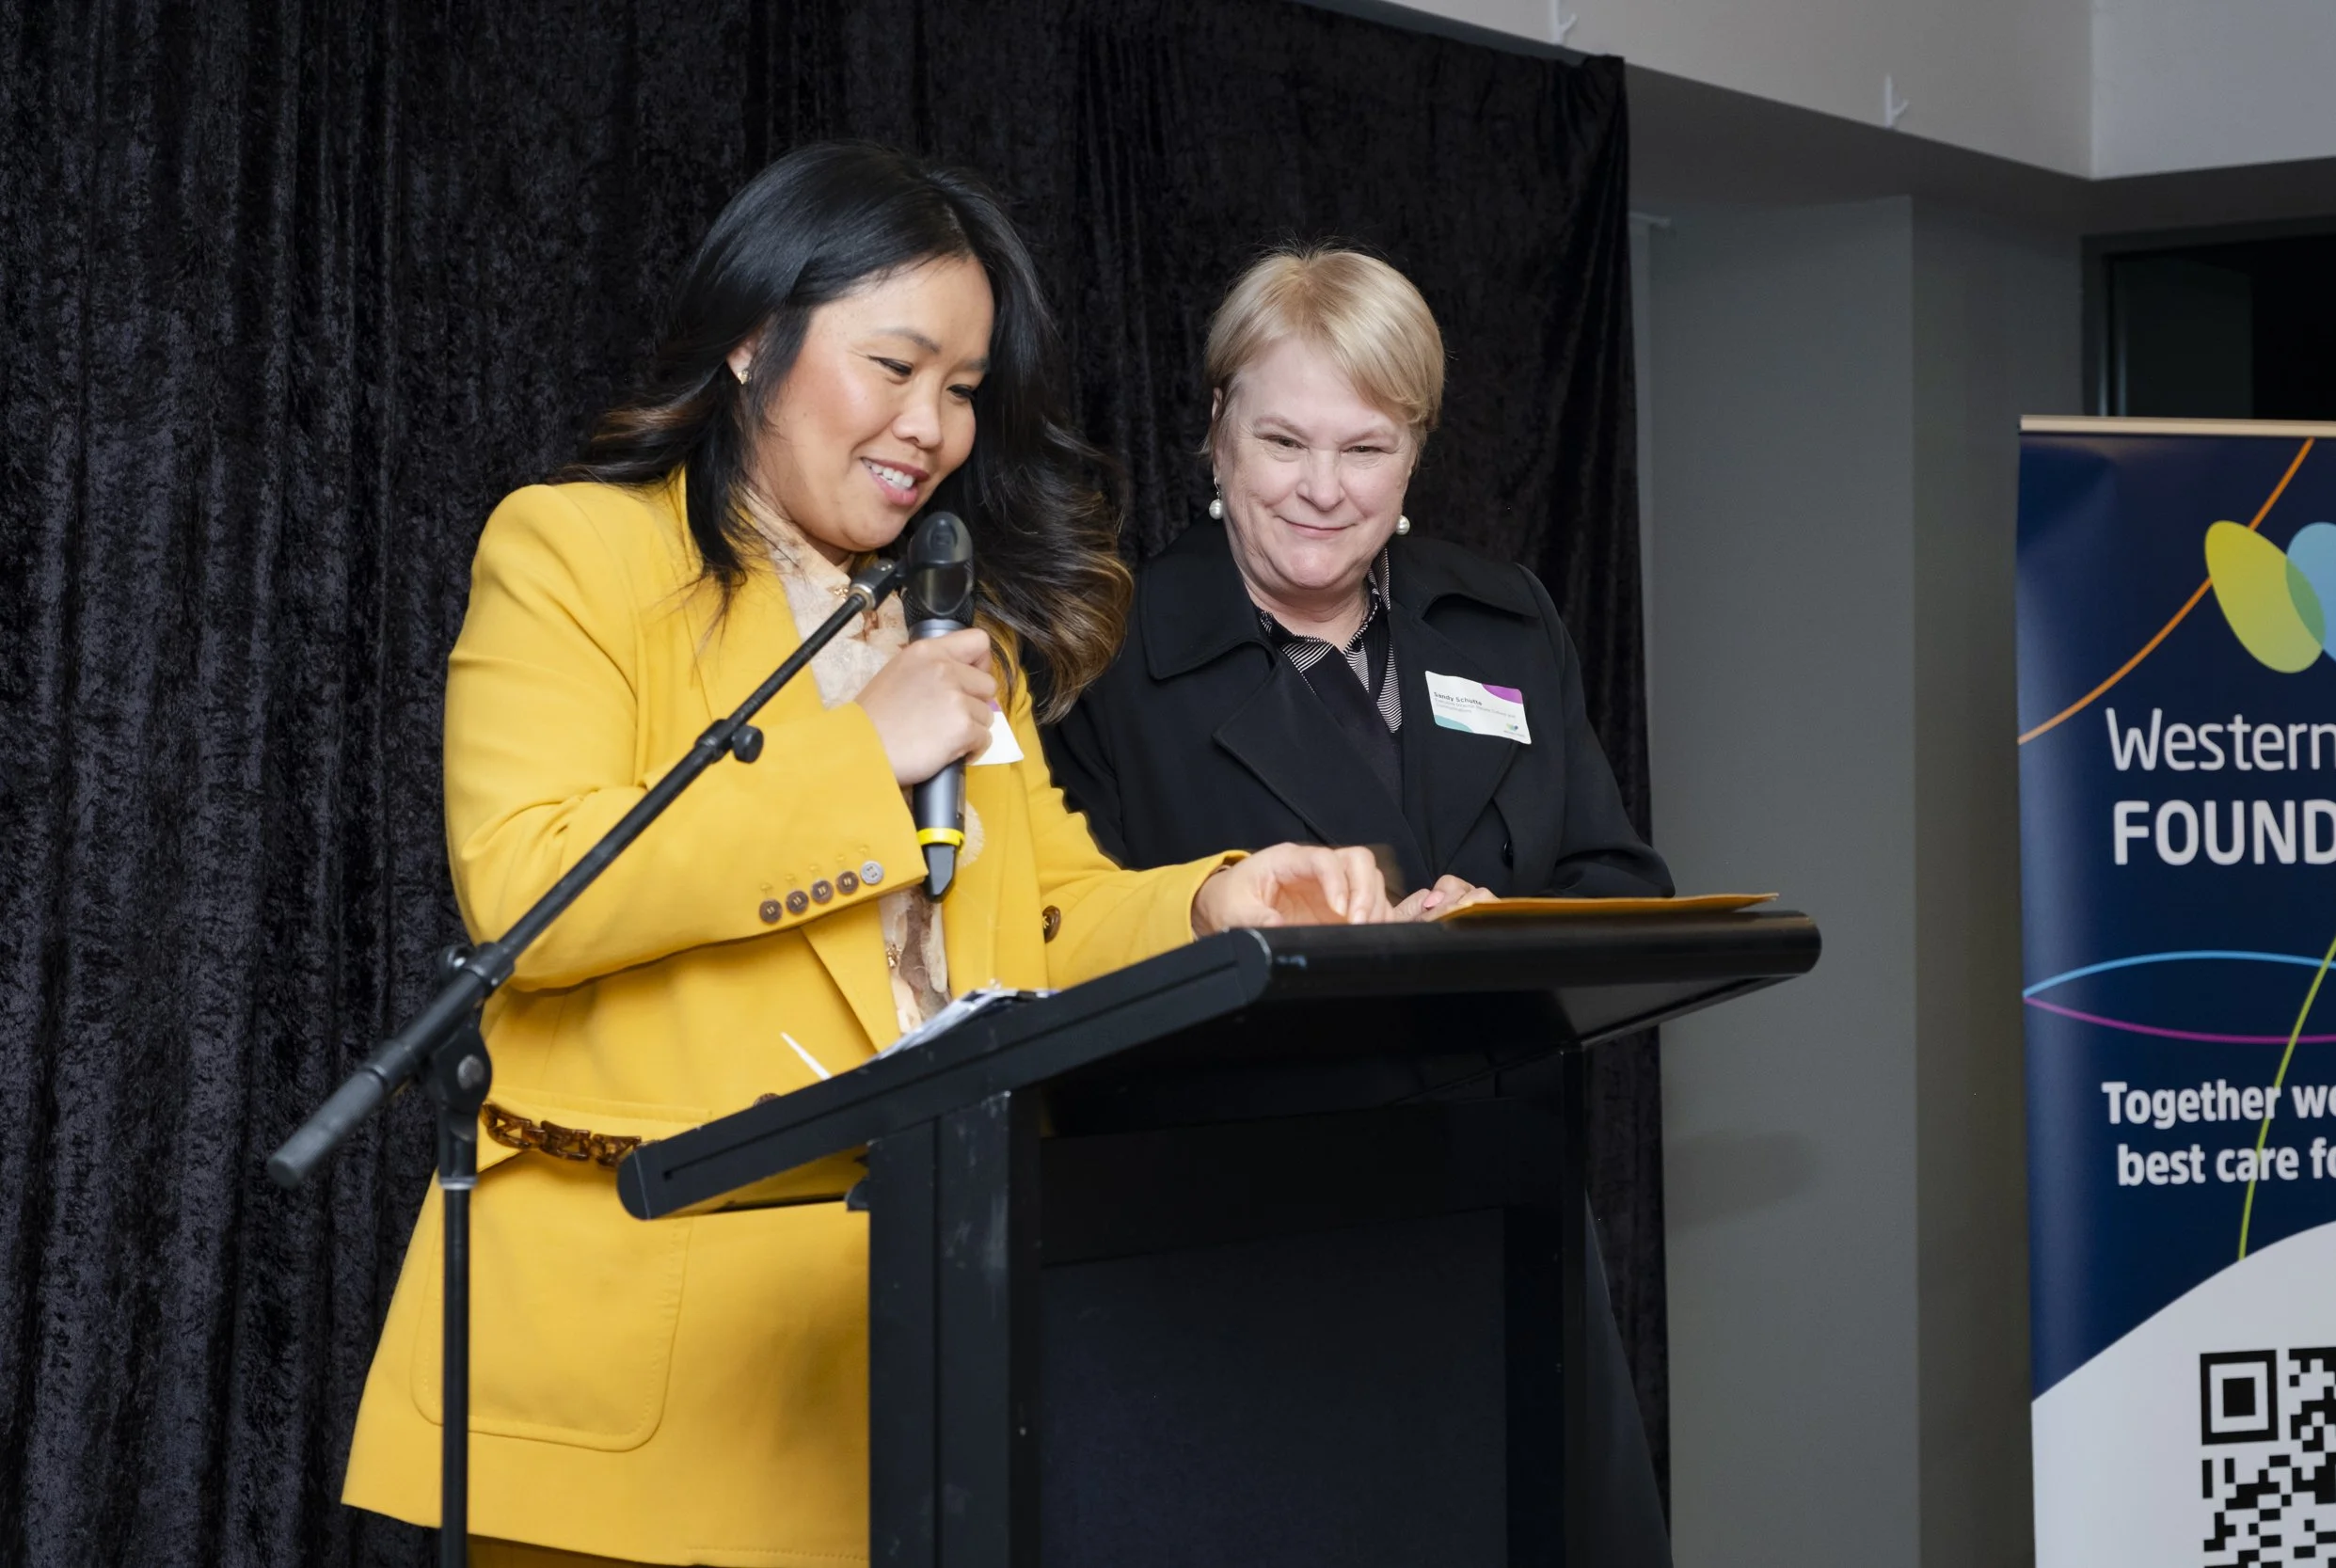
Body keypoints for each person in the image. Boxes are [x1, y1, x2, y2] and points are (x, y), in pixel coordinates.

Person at [341, 145, 1390, 1568]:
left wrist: (1216, 899)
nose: (933, 426)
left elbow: (1041, 927)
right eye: (895, 367)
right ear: (754, 337)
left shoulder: (959, 636)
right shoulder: (574, 553)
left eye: (962, 388)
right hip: (640, 1399)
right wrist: (860, 754)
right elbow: (530, 888)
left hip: (922, 1366)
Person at [1041, 245, 1678, 1563]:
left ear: (1418, 451)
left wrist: (1493, 921)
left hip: (1505, 1224)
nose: (1323, 489)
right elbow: (1051, 950)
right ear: (1212, 431)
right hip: (1230, 1266)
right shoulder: (1101, 651)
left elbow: (1621, 881)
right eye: (1282, 439)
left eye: (1367, 447)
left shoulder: (1506, 625)